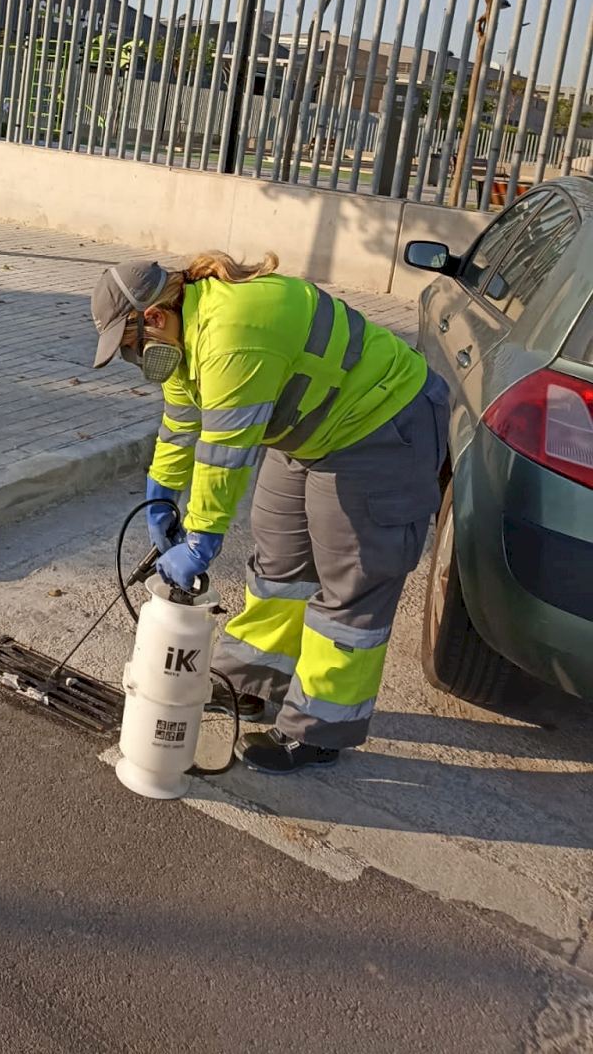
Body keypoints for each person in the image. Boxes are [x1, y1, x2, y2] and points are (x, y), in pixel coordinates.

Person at [90, 252, 449, 775]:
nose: (135, 359)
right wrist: (162, 491)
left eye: (130, 347)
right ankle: (253, 682)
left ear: (154, 317)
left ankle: (318, 730)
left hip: (381, 425)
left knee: (351, 584)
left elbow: (224, 452)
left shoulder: (231, 331)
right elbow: (183, 422)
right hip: (311, 426)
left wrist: (201, 539)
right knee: (281, 556)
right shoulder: (185, 334)